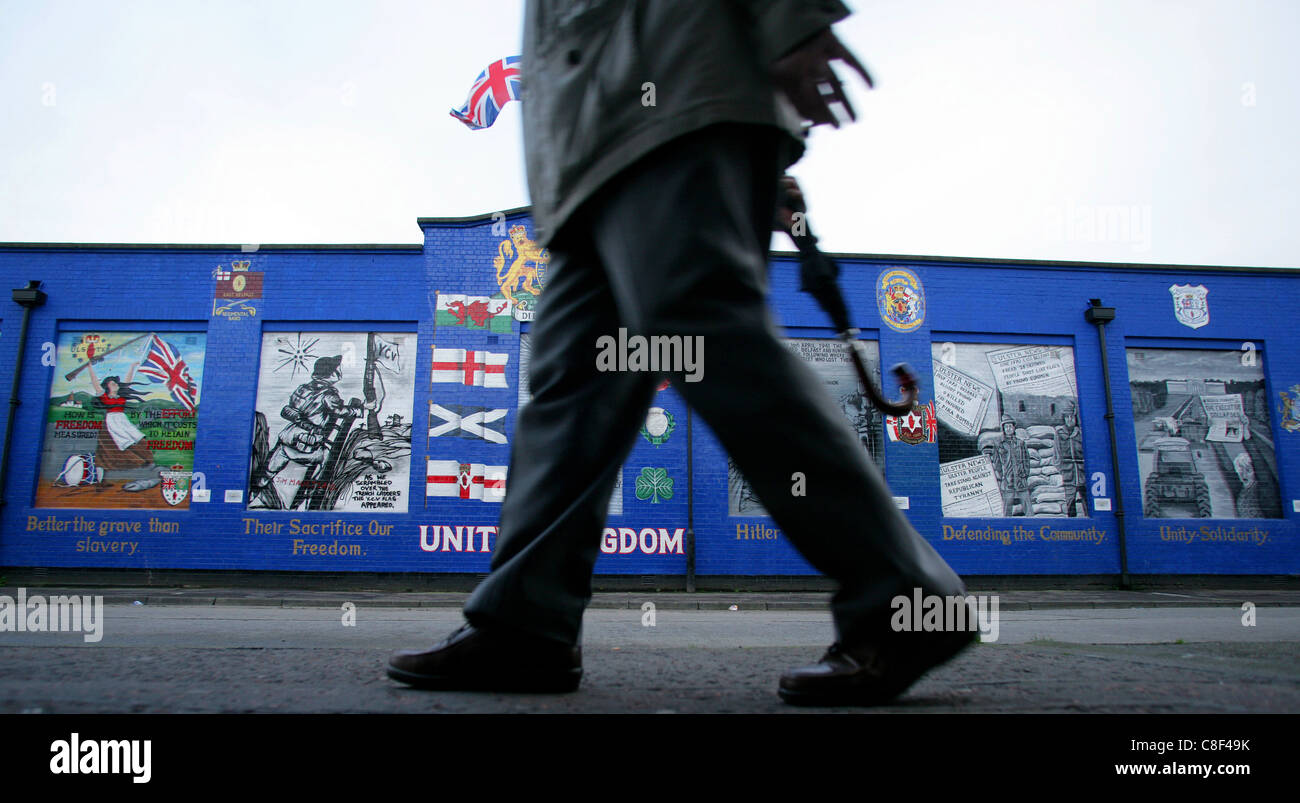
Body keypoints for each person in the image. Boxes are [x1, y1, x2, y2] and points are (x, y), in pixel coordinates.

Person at [389, 0, 973, 706]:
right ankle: (524, 625)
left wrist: (788, 18)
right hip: (590, 157)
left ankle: (906, 602)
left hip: (676, 94)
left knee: (703, 330)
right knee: (574, 384)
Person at [85, 359, 162, 492]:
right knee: (104, 454)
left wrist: (132, 366)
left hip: (123, 422)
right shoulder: (104, 396)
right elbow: (95, 382)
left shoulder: (121, 395)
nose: (116, 384)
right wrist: (89, 367)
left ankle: (148, 464)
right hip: (110, 425)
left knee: (139, 441)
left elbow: (128, 380)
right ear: (107, 386)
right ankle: (100, 482)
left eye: (116, 383)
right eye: (112, 383)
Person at [994, 415, 1031, 516]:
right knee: (1007, 507)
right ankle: (1006, 524)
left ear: (1014, 428)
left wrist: (1025, 473)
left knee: (1027, 505)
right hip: (1007, 480)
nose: (1008, 429)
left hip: (1021, 479)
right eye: (1006, 427)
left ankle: (1032, 523)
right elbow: (997, 463)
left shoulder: (1020, 443)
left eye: (1010, 426)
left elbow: (1026, 460)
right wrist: (1003, 475)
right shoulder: (999, 444)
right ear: (1003, 429)